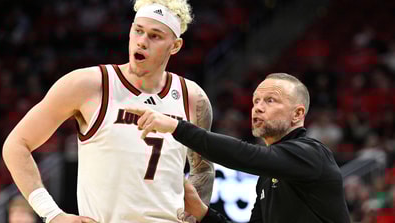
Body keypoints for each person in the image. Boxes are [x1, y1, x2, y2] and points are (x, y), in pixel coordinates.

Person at [2, 0, 215, 222]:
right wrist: (53, 214)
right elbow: (16, 145)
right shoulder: (89, 84)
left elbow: (203, 169)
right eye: (138, 31)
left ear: (175, 46)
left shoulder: (192, 98)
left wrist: (193, 217)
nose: (142, 42)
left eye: (155, 36)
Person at [126, 73, 351, 223]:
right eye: (256, 101)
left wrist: (178, 127)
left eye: (270, 100)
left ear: (298, 114)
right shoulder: (267, 177)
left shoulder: (312, 153)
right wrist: (202, 213)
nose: (258, 108)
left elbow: (248, 155)